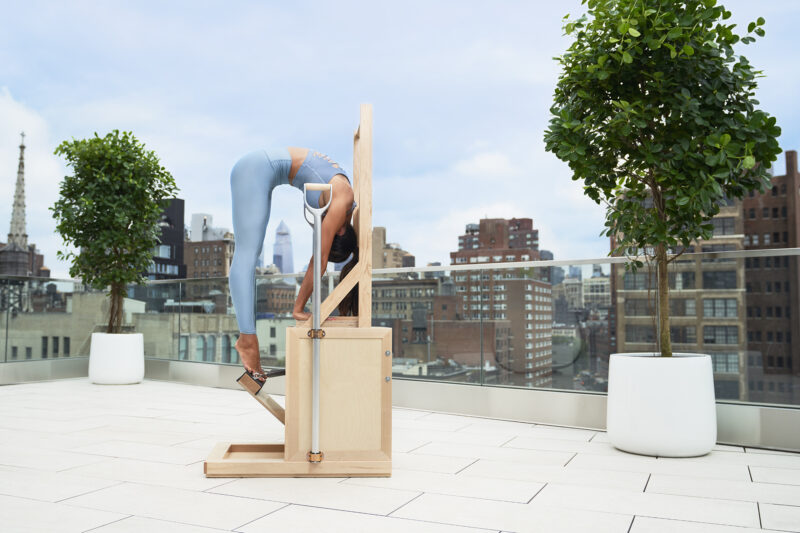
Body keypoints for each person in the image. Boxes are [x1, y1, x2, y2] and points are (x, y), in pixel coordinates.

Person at [228, 147, 358, 381]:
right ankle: (247, 341)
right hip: (255, 168)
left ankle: (247, 338)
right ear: (340, 231)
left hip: (262, 167)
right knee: (248, 252)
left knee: (250, 250)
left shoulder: (349, 205)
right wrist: (298, 307)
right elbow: (318, 260)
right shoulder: (342, 203)